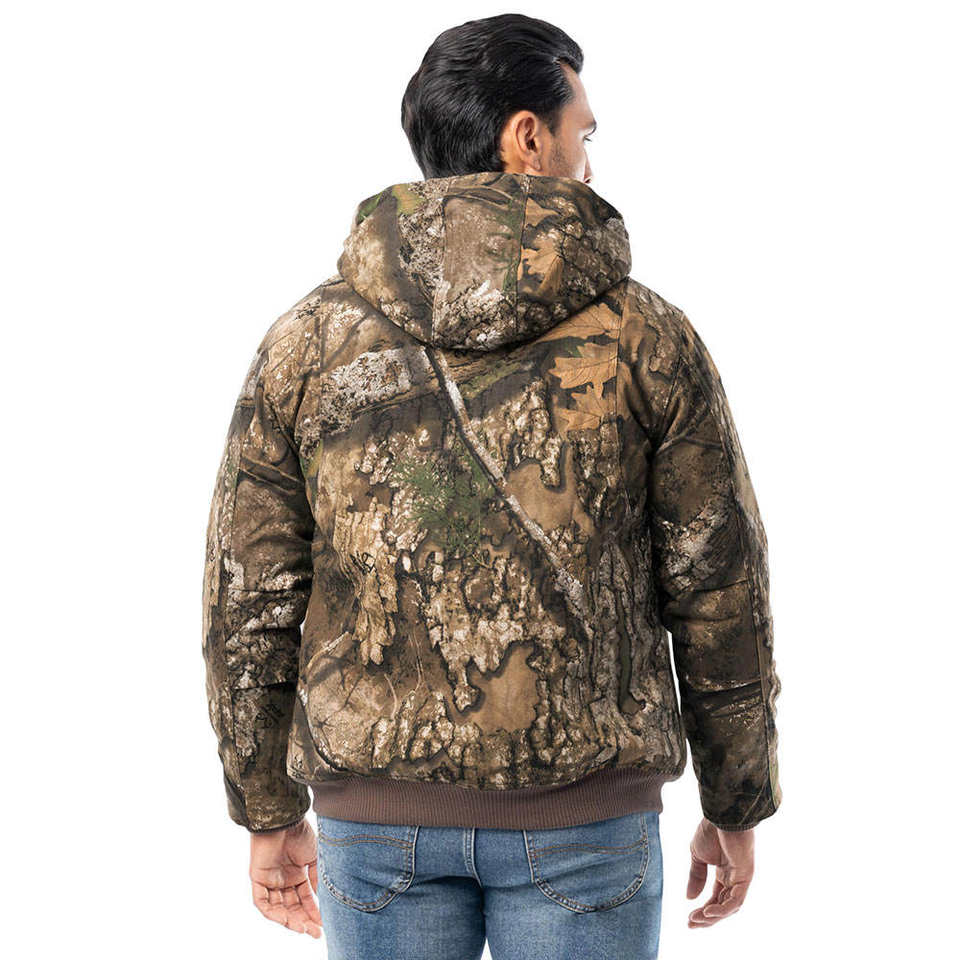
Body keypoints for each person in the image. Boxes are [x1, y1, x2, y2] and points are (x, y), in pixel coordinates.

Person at [201, 13, 782, 959]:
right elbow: (718, 586)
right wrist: (736, 798)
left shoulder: (307, 342)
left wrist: (264, 807)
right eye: (582, 132)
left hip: (374, 824)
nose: (589, 161)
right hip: (586, 819)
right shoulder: (645, 337)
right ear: (527, 137)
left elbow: (249, 592)